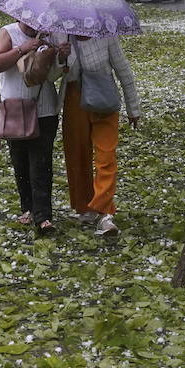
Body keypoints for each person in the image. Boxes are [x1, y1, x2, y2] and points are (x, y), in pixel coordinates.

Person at [59, 33, 140, 236]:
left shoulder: (106, 36)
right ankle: (85, 207)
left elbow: (124, 71)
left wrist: (133, 109)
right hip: (75, 99)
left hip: (103, 98)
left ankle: (105, 212)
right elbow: (56, 75)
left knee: (106, 156)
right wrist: (61, 57)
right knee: (77, 154)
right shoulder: (61, 35)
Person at [0, 21, 66, 235]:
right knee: (21, 162)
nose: (35, 24)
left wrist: (59, 57)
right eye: (30, 20)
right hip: (16, 109)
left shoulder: (50, 36)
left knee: (41, 165)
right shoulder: (9, 32)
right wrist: (23, 48)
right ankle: (28, 208)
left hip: (44, 110)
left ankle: (44, 216)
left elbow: (52, 77)